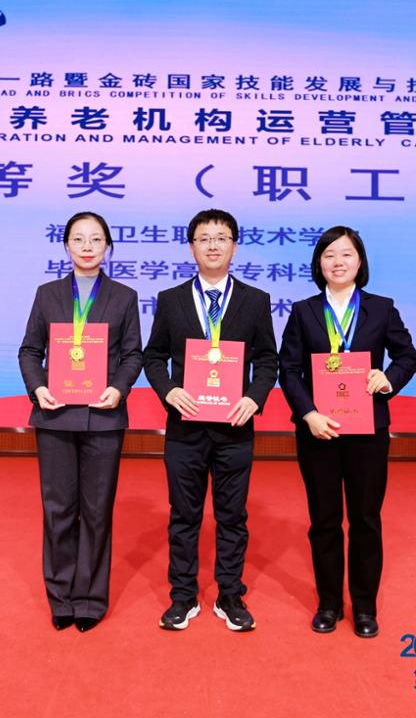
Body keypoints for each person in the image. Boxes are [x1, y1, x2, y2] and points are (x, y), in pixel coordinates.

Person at [278, 226, 416, 639]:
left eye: (346, 254)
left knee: (365, 520)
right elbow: (289, 369)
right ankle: (328, 604)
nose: (337, 262)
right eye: (329, 255)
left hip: (368, 430)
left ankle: (364, 607)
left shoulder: (381, 308)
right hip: (318, 431)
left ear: (360, 261)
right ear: (318, 263)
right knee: (324, 520)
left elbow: (407, 356)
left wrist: (388, 378)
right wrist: (308, 413)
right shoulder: (303, 311)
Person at [143, 209, 279, 632]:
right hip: (185, 428)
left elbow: (267, 359)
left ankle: (230, 594)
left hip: (235, 428)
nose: (213, 245)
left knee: (232, 516)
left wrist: (254, 398)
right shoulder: (171, 299)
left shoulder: (255, 300)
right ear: (192, 248)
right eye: (204, 238)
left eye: (221, 237)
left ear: (234, 246)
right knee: (183, 515)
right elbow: (153, 356)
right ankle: (182, 596)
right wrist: (169, 391)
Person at [17, 212, 144, 633]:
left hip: (104, 417)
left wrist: (119, 389)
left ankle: (89, 599)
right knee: (58, 510)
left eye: (95, 239)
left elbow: (133, 354)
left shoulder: (124, 297)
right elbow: (29, 351)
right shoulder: (48, 294)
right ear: (66, 245)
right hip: (55, 415)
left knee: (96, 511)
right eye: (78, 239)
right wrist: (38, 388)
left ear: (108, 246)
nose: (87, 246)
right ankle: (60, 596)